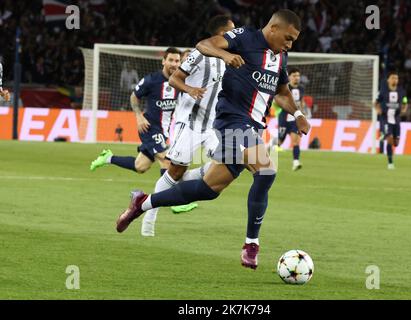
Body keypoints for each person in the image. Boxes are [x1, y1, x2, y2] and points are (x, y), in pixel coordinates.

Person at [116, 10, 310, 270]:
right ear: (273, 28)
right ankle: (251, 244)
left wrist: (297, 113)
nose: (289, 44)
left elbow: (282, 92)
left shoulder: (280, 57)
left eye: (293, 41)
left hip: (252, 128)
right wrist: (226, 55)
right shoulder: (245, 37)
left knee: (208, 190)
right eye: (288, 38)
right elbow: (205, 44)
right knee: (266, 170)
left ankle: (143, 202)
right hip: (231, 121)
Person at [140, 15, 235, 236]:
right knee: (174, 172)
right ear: (221, 33)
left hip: (212, 125)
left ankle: (179, 181)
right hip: (190, 123)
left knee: (227, 162)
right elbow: (174, 79)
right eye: (231, 30)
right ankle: (148, 219)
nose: (235, 34)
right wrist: (190, 90)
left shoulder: (229, 57)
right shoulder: (199, 54)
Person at [89, 47, 181, 174]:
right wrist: (139, 116)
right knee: (167, 161)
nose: (174, 64)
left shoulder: (180, 82)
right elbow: (134, 96)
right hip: (149, 127)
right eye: (171, 60)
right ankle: (162, 194)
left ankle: (108, 158)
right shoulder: (151, 80)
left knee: (140, 166)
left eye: (177, 61)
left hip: (164, 130)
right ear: (163, 61)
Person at [275, 67, 307, 170]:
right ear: (289, 77)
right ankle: (268, 148)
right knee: (280, 141)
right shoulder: (284, 87)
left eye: (298, 76)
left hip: (295, 119)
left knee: (296, 141)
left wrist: (302, 113)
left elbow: (301, 101)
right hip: (284, 117)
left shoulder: (301, 88)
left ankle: (296, 162)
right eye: (294, 76)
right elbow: (277, 100)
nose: (296, 78)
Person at [375, 71, 408, 170]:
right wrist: (378, 110)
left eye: (396, 78)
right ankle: (390, 163)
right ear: (388, 80)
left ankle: (383, 134)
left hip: (396, 120)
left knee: (396, 143)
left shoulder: (401, 91)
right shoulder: (383, 92)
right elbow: (376, 103)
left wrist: (404, 109)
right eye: (393, 78)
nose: (395, 80)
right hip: (385, 119)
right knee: (389, 139)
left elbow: (405, 101)